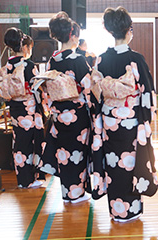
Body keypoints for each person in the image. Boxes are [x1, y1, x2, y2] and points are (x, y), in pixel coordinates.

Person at [90, 6, 158, 222]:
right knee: (131, 164)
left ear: (111, 31)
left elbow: (95, 95)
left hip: (109, 122)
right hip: (131, 122)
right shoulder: (136, 59)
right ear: (129, 30)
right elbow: (147, 93)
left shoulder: (100, 59)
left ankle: (116, 210)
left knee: (113, 163)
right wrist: (147, 119)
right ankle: (131, 210)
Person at [39, 12, 92, 203]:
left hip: (59, 114)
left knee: (64, 153)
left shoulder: (53, 60)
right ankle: (76, 194)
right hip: (77, 114)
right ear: (74, 36)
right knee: (77, 153)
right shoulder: (78, 59)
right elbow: (89, 88)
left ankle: (67, 192)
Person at [0, 28, 45, 188]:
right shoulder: (29, 65)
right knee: (32, 143)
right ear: (24, 47)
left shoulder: (7, 66)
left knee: (19, 143)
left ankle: (22, 179)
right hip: (29, 110)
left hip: (15, 109)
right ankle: (30, 179)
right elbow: (36, 88)